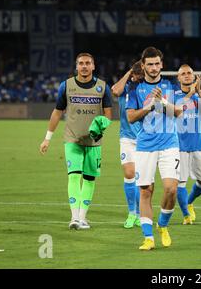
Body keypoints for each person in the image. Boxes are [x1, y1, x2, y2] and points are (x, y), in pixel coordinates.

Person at [39, 53, 113, 230]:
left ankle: (82, 218)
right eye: (81, 63)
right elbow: (57, 112)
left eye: (88, 63)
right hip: (72, 140)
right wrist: (47, 139)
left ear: (93, 66)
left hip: (94, 142)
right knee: (73, 176)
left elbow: (108, 114)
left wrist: (101, 126)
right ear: (76, 66)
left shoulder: (103, 87)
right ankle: (74, 218)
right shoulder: (66, 86)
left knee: (89, 180)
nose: (84, 66)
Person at [126, 47, 183, 250]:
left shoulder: (170, 85)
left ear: (162, 64)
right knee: (145, 191)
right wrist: (150, 106)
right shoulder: (135, 89)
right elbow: (130, 117)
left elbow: (177, 112)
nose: (153, 67)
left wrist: (162, 101)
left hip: (169, 143)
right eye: (149, 64)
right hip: (145, 146)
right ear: (143, 66)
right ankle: (148, 238)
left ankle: (163, 225)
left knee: (171, 189)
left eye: (157, 63)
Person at [174, 65, 201, 224]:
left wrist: (199, 90)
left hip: (198, 145)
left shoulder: (199, 97)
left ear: (194, 76)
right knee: (180, 182)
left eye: (189, 73)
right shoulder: (173, 96)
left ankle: (189, 202)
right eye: (183, 74)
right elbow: (175, 110)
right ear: (178, 78)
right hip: (179, 147)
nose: (187, 76)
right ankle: (186, 215)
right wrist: (190, 93)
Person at [111, 61, 143, 228]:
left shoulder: (146, 89)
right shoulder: (126, 89)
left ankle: (140, 213)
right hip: (127, 138)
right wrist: (129, 71)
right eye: (137, 74)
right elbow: (115, 90)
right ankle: (132, 213)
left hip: (145, 138)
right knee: (130, 174)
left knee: (141, 178)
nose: (140, 78)